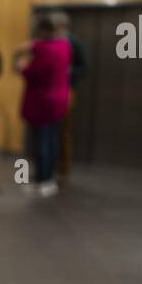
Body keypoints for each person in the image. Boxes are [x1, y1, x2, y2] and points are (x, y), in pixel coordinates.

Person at [13, 15, 71, 197]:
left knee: (42, 142)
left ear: (44, 31)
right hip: (59, 100)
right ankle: (50, 177)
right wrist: (33, 46)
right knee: (52, 140)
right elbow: (41, 47)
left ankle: (42, 180)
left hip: (43, 102)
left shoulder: (46, 52)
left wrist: (20, 66)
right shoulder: (64, 46)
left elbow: (33, 72)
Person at [52, 10, 87, 178]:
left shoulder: (74, 43)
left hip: (67, 89)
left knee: (64, 129)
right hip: (50, 90)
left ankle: (63, 167)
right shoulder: (50, 42)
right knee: (49, 129)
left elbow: (84, 68)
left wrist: (68, 71)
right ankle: (49, 163)